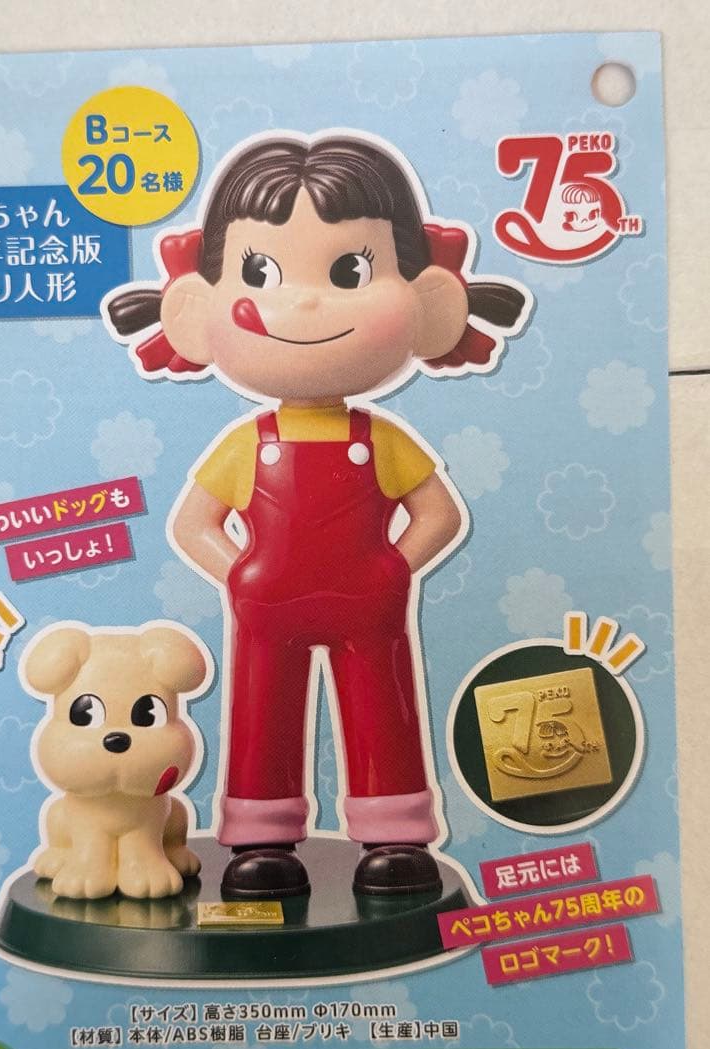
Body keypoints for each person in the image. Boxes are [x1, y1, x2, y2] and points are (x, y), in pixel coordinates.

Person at [104, 132, 529, 897]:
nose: (303, 301)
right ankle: (261, 839)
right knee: (261, 709)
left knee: (382, 708)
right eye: (260, 273)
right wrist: (242, 573)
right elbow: (193, 523)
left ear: (429, 299)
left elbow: (438, 513)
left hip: (369, 601)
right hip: (269, 606)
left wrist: (394, 566)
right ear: (194, 308)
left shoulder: (381, 438)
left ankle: (394, 833)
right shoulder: (250, 443)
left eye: (350, 272)